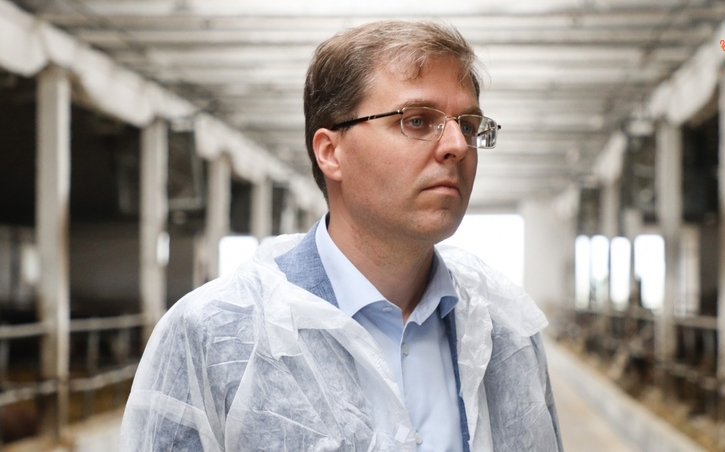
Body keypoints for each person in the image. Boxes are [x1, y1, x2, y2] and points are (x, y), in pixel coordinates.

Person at [121, 20, 562, 452]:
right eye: (416, 120)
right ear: (331, 153)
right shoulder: (217, 335)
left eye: (467, 125)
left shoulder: (505, 331)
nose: (458, 146)